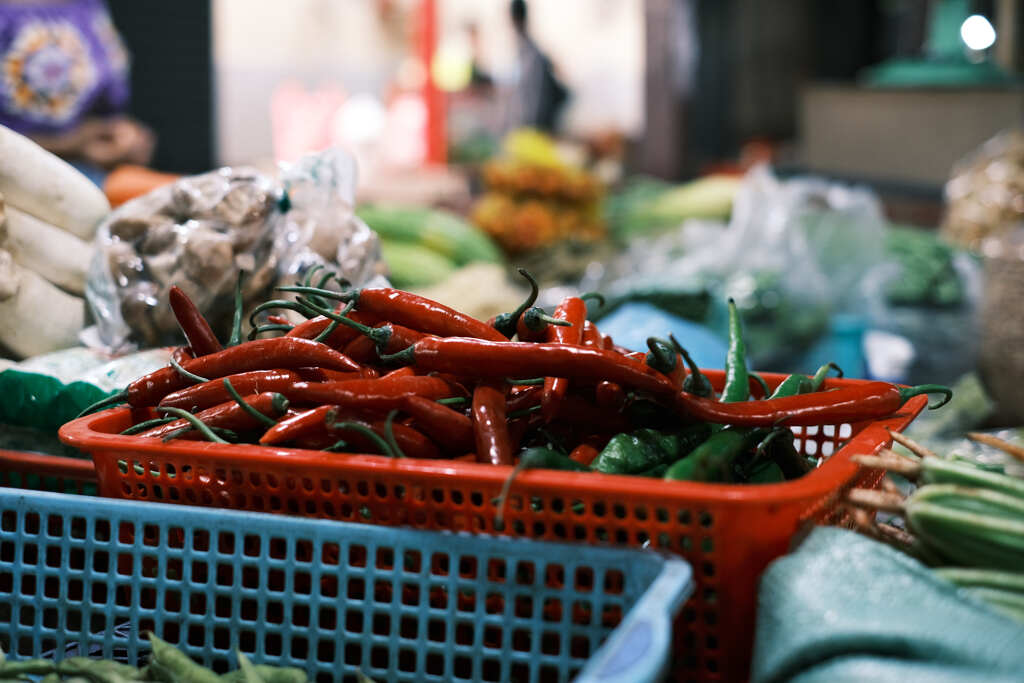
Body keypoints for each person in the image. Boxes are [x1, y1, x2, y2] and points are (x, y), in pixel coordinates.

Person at [506, 0, 568, 133]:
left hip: (536, 127)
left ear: (513, 19)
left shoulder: (529, 54)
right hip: (536, 126)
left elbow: (532, 97)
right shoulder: (531, 51)